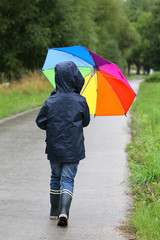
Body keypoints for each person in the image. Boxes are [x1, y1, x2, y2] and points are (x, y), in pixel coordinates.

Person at [36, 61, 90, 227]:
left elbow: (40, 121)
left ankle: (54, 211)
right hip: (73, 148)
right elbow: (86, 122)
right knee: (67, 179)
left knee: (55, 177)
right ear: (76, 78)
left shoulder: (50, 101)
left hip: (54, 147)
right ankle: (64, 212)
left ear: (57, 78)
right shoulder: (81, 101)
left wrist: (51, 126)